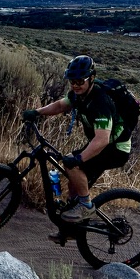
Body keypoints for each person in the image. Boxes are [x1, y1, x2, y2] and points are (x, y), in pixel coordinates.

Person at [22, 55, 131, 233]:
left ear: (91, 78)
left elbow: (102, 140)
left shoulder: (100, 102)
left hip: (116, 148)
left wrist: (79, 158)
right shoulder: (77, 95)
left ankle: (86, 207)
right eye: (72, 81)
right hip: (103, 144)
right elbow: (60, 106)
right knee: (74, 180)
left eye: (80, 80)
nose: (75, 84)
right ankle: (72, 228)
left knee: (73, 164)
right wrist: (36, 112)